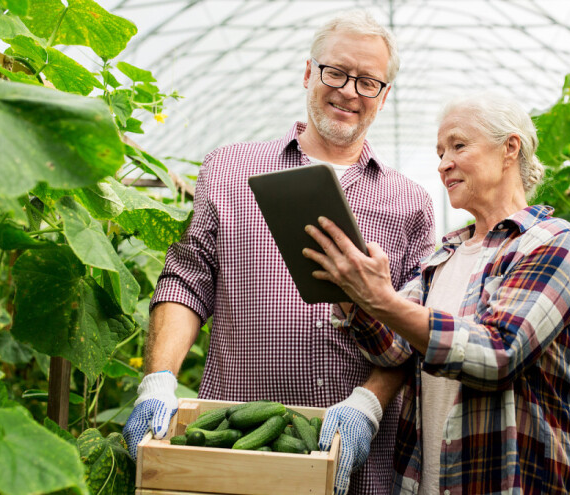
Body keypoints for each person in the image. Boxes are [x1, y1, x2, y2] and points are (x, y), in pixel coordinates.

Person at [123, 10, 435, 495]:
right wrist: (158, 380)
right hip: (236, 442)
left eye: (368, 81)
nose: (349, 91)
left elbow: (416, 327)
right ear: (309, 72)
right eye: (336, 72)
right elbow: (186, 280)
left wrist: (368, 406)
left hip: (357, 461)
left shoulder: (410, 202)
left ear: (384, 96)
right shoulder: (230, 169)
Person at [304, 91, 570, 494]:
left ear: (510, 148)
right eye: (440, 152)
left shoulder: (552, 242)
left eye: (458, 145)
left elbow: (498, 353)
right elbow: (392, 350)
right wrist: (349, 290)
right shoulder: (443, 256)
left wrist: (382, 299)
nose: (444, 164)